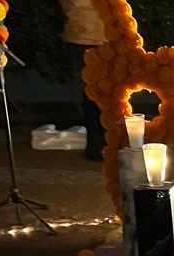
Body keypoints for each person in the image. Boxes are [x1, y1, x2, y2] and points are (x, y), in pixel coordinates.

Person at [59, 0, 106, 161]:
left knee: (92, 94)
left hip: (82, 35)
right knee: (98, 94)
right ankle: (100, 144)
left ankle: (97, 144)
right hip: (95, 36)